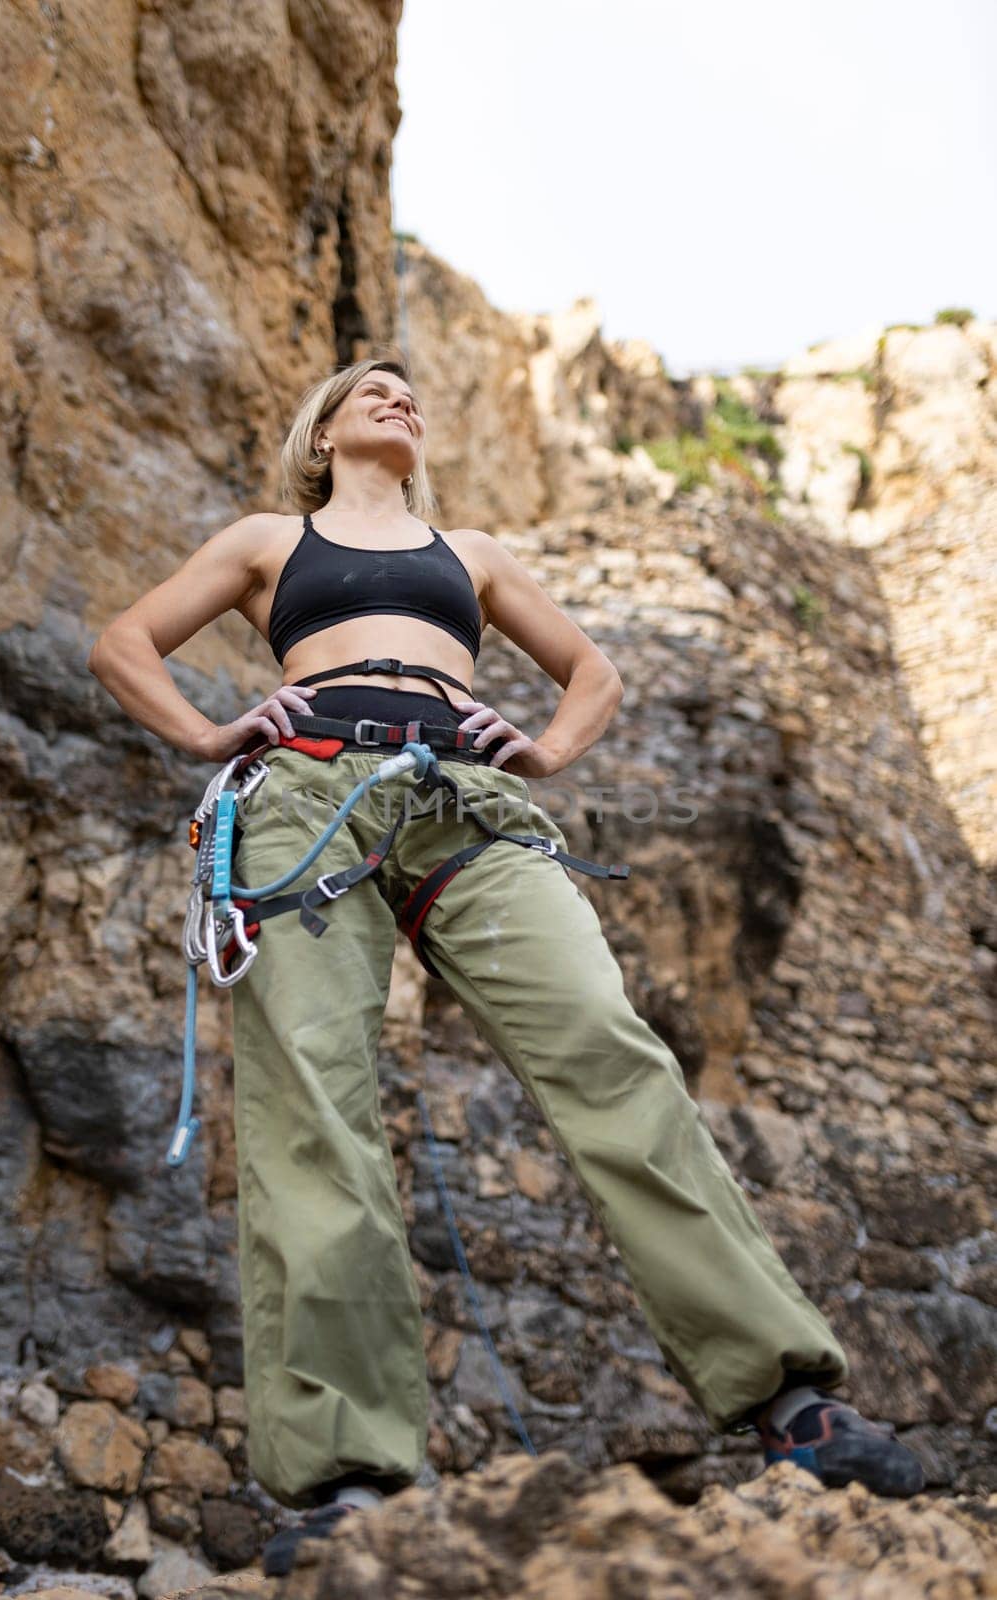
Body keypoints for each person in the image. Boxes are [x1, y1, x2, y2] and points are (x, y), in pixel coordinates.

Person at [87, 350, 924, 1576]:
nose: (395, 395)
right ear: (320, 437)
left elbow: (596, 670)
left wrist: (538, 753)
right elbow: (122, 643)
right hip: (299, 798)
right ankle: (349, 1472)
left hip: (467, 802)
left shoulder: (468, 555)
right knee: (313, 1106)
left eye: (406, 392)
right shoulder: (268, 538)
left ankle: (785, 1397)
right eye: (363, 391)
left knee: (605, 1044)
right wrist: (212, 731)